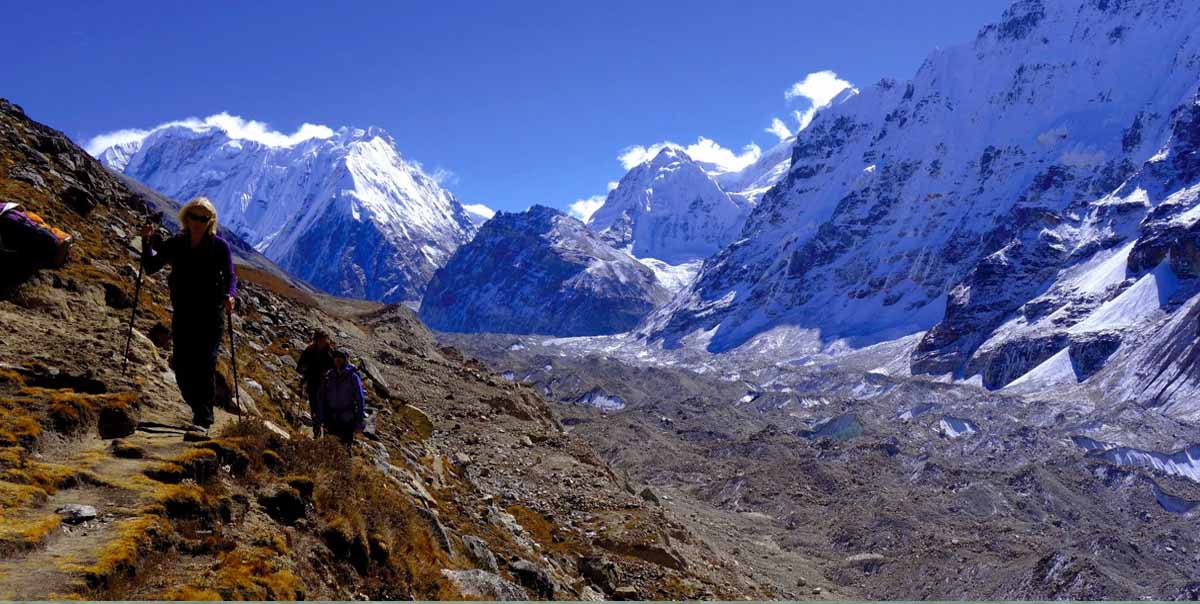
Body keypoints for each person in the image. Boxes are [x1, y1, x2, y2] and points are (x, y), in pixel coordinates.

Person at [139, 197, 237, 435]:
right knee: (182, 365)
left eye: (203, 218)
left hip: (210, 313)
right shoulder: (178, 243)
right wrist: (145, 241)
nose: (197, 222)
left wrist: (231, 295)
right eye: (193, 216)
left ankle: (204, 416)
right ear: (186, 216)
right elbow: (151, 266)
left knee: (205, 362)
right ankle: (197, 406)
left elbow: (231, 275)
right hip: (183, 311)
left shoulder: (219, 247)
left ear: (210, 221)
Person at [316, 349, 366, 448]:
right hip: (330, 418)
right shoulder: (328, 376)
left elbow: (360, 399)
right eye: (336, 359)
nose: (338, 361)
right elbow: (321, 397)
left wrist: (359, 420)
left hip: (347, 419)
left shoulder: (353, 377)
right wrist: (320, 415)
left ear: (345, 360)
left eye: (340, 359)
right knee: (328, 448)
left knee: (344, 448)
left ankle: (342, 463)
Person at [297, 329, 335, 438]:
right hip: (313, 384)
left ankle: (328, 436)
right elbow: (300, 367)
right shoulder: (309, 351)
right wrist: (304, 370)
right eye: (321, 340)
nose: (323, 342)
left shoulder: (330, 352)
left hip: (327, 386)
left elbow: (335, 369)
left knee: (327, 411)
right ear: (316, 340)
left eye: (325, 340)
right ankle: (316, 433)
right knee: (314, 409)